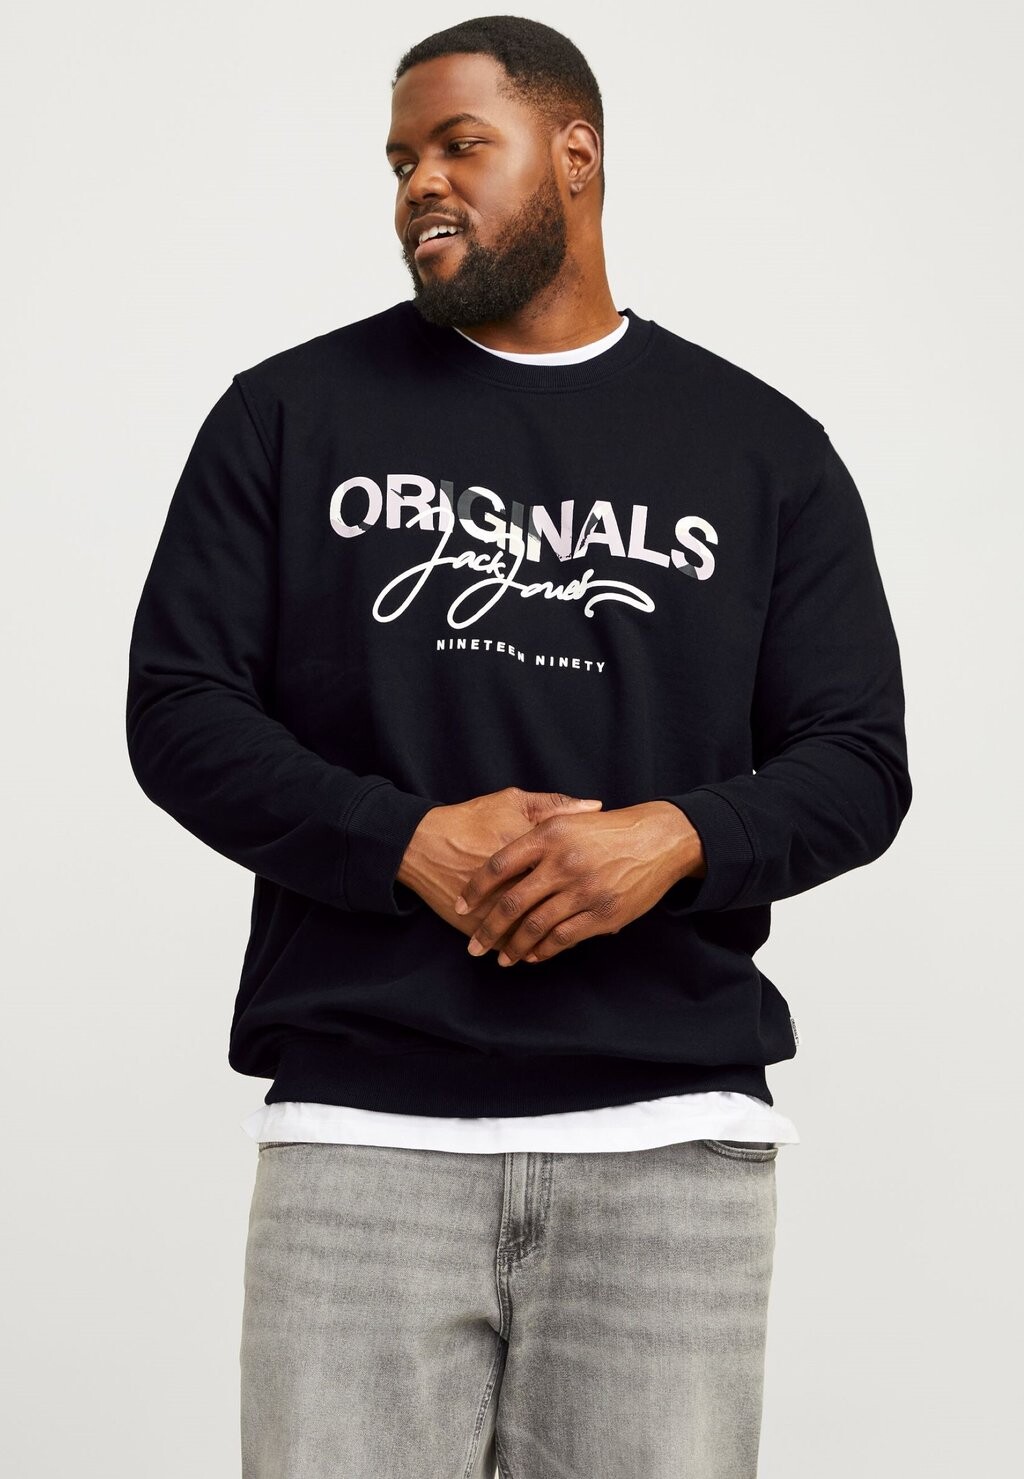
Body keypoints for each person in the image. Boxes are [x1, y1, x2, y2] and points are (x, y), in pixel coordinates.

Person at [125, 15, 912, 1478]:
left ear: (576, 153)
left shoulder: (761, 449)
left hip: (668, 1148)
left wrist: (670, 841)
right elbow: (178, 709)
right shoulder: (287, 418)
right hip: (361, 1135)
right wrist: (403, 843)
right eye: (399, 161)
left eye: (459, 145)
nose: (420, 183)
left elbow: (859, 759)